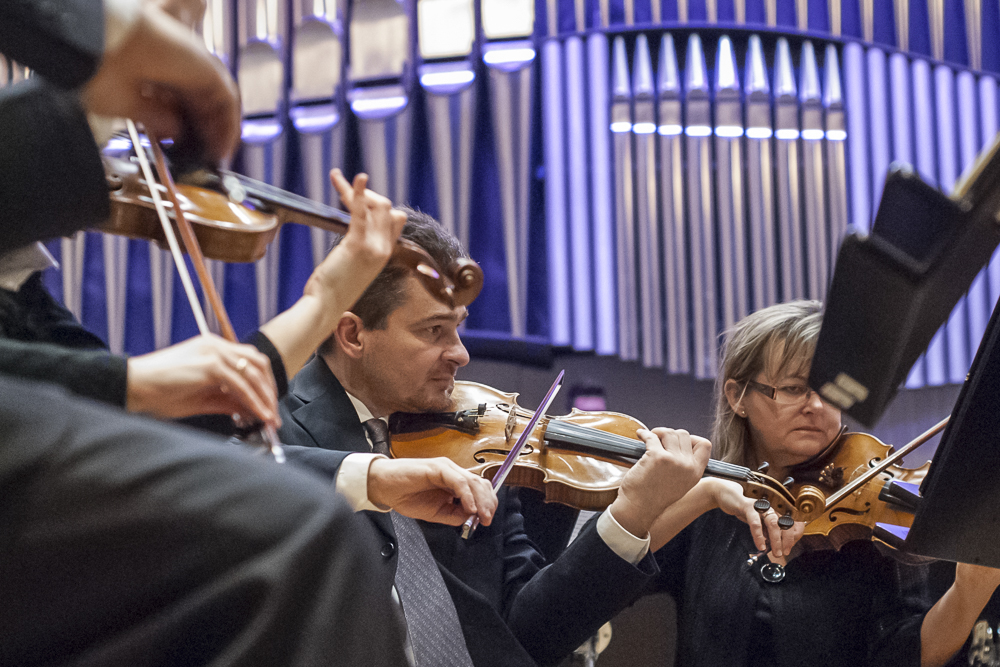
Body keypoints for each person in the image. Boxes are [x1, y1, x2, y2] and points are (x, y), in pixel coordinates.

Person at [0, 1, 492, 664]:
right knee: (302, 540)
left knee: (302, 537)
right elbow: (133, 401)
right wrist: (117, 63)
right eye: (435, 329)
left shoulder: (23, 297)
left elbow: (207, 407)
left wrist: (373, 474)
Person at [278, 207, 713, 667]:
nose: (460, 353)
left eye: (458, 327)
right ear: (352, 334)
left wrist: (633, 514)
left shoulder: (476, 444)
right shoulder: (264, 428)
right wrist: (375, 477)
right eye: (433, 330)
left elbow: (525, 636)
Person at [643, 299, 1000, 667]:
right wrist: (704, 494)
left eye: (831, 392)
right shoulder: (703, 503)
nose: (816, 405)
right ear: (738, 397)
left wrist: (968, 593)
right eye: (795, 389)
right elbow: (610, 568)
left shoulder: (871, 516)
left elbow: (904, 654)